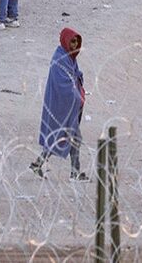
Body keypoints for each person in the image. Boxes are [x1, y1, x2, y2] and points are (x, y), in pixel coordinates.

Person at [29, 28, 88, 181]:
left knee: (61, 136)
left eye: (77, 42)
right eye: (72, 41)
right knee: (72, 137)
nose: (75, 45)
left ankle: (39, 163)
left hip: (66, 107)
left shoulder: (69, 58)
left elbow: (75, 76)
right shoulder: (60, 59)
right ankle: (74, 173)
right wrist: (77, 97)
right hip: (60, 106)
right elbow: (64, 85)